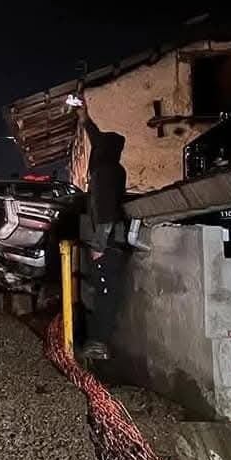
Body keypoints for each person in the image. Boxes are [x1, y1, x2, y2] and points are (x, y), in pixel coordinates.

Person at [75, 101, 127, 360]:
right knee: (100, 293)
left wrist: (98, 246)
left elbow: (106, 214)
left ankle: (99, 344)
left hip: (107, 246)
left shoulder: (106, 173)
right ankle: (96, 342)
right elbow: (97, 140)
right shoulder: (109, 168)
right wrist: (85, 120)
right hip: (108, 244)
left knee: (106, 296)